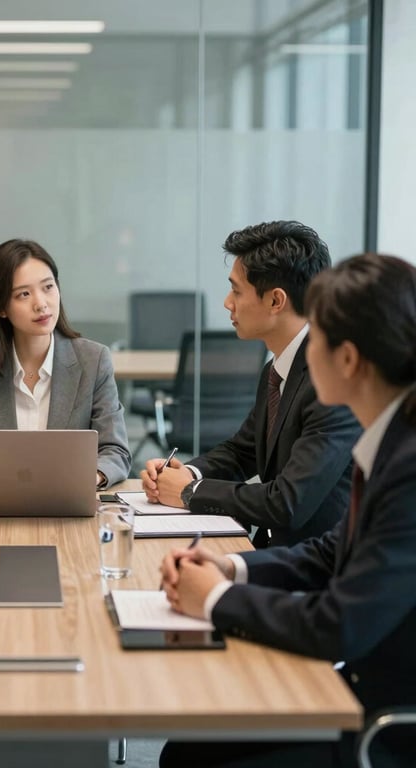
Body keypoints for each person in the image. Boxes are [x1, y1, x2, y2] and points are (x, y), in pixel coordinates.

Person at [159, 253, 416, 768]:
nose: (304, 351)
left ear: (348, 359)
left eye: (316, 336)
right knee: (185, 751)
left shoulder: (408, 467)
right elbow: (332, 550)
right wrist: (232, 565)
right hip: (354, 690)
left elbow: (338, 625)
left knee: (191, 759)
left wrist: (216, 600)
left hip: (384, 727)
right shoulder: (391, 443)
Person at [141, 221, 361, 547]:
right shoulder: (278, 367)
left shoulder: (330, 381)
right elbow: (242, 451)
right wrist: (188, 472)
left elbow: (288, 501)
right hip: (277, 552)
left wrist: (190, 492)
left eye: (237, 290)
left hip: (316, 567)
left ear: (276, 301)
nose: (228, 303)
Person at [0, 238, 131, 488]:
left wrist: (87, 479)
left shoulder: (94, 360)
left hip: (68, 507)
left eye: (48, 287)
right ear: (1, 307)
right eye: (23, 294)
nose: (41, 303)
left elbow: (115, 451)